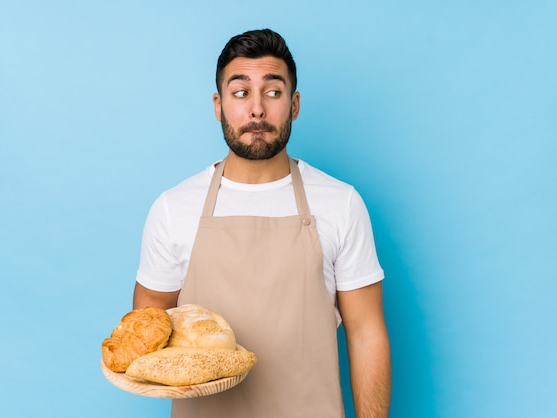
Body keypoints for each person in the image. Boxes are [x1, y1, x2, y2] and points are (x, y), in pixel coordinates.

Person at [132, 28, 391, 418]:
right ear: (219, 105)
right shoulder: (173, 208)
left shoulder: (341, 203)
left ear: (295, 104)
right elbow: (146, 331)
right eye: (241, 93)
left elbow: (367, 333)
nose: (257, 110)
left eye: (273, 92)